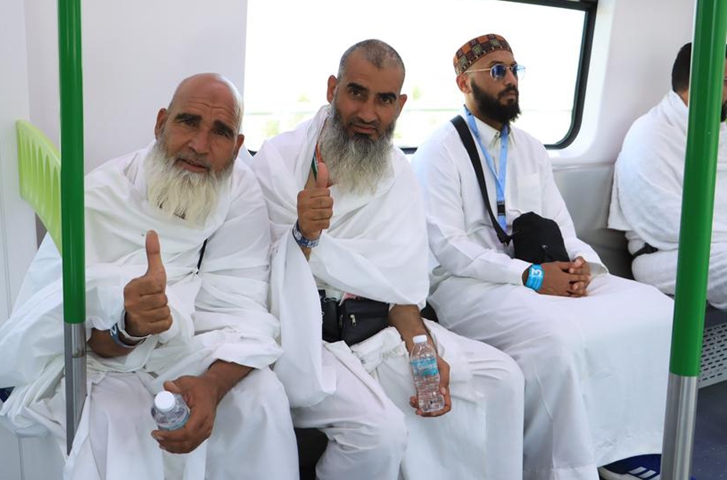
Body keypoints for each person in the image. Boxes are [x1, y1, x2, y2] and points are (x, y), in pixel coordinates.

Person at [0, 74, 298, 480]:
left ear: (236, 146)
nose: (200, 145)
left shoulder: (240, 190)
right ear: (161, 123)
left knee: (263, 399)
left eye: (220, 131)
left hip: (194, 347)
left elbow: (242, 305)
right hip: (111, 361)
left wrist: (212, 387)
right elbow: (72, 334)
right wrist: (129, 327)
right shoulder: (102, 197)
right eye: (188, 122)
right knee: (122, 419)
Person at [251, 39, 525, 480]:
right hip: (308, 340)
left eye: (383, 100)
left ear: (398, 106)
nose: (367, 114)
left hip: (379, 334)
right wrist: (302, 234)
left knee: (503, 378)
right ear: (332, 90)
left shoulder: (398, 173)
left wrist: (422, 349)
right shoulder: (278, 161)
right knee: (379, 434)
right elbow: (257, 284)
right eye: (356, 93)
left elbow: (401, 292)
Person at [411, 34, 674, 480]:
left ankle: (628, 446)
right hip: (468, 284)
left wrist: (579, 267)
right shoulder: (439, 150)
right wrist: (529, 276)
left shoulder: (531, 147)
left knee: (659, 310)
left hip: (540, 268)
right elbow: (449, 248)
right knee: (559, 340)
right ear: (463, 82)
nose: (510, 79)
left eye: (514, 69)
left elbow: (561, 225)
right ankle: (569, 467)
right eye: (497, 71)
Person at [610, 42, 727, 309]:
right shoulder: (650, 134)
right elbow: (666, 223)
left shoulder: (719, 132)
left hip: (715, 247)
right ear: (700, 82)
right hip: (664, 255)